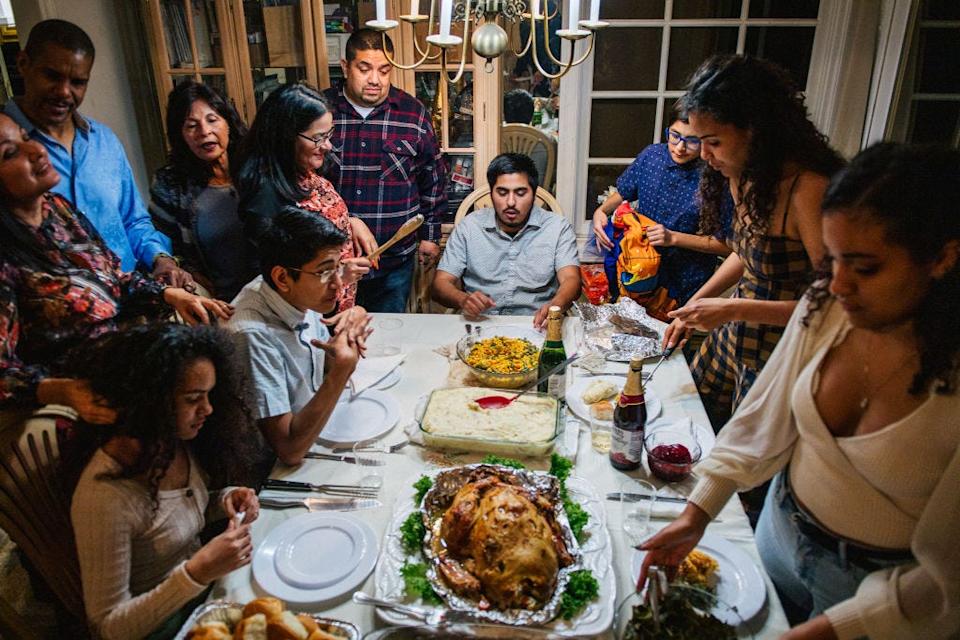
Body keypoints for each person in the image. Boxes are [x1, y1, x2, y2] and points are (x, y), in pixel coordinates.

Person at [640, 143, 960, 640]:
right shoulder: (824, 306)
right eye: (830, 261)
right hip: (777, 535)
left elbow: (948, 579)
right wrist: (697, 513)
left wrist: (835, 627)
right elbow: (760, 420)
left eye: (865, 268)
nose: (837, 286)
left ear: (942, 257)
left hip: (878, 598)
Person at [0, 112, 232, 421]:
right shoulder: (7, 254)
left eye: (26, 138)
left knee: (218, 349)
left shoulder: (58, 211)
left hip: (129, 349)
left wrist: (170, 295)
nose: (36, 151)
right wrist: (63, 390)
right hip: (88, 385)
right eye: (10, 152)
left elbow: (113, 276)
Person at [663, 55, 844, 429]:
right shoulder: (743, 175)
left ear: (756, 131)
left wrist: (731, 309)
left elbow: (833, 307)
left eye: (713, 142)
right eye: (700, 141)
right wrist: (694, 306)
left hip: (781, 351)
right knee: (690, 427)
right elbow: (747, 254)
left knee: (743, 459)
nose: (704, 154)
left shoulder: (808, 189)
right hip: (735, 337)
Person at [69, 323, 260, 640]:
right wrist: (196, 572)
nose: (208, 409)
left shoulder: (170, 441)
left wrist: (223, 499)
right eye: (193, 399)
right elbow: (108, 626)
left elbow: (169, 516)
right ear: (148, 400)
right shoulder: (103, 498)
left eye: (209, 395)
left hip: (206, 600)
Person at [3, 19, 193, 287]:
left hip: (132, 297)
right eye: (52, 76)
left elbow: (133, 220)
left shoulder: (103, 141)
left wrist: (160, 259)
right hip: (55, 313)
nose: (64, 92)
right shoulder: (8, 155)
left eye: (78, 82)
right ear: (23, 64)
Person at [227, 207, 371, 466]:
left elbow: (318, 370)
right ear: (282, 277)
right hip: (267, 471)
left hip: (317, 428)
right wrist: (341, 371)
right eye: (325, 271)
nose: (339, 284)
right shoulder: (252, 334)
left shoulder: (296, 294)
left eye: (338, 268)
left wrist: (345, 339)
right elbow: (289, 450)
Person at [323, 29, 447, 312]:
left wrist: (429, 235)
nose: (375, 80)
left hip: (393, 261)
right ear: (345, 67)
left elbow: (434, 178)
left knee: (388, 341)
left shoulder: (412, 113)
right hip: (331, 262)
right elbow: (302, 181)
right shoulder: (322, 110)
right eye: (364, 69)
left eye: (384, 70)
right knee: (335, 344)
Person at [234, 83, 375, 310]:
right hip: (309, 317)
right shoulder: (265, 196)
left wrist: (351, 222)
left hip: (332, 303)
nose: (327, 146)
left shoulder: (301, 168)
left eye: (329, 134)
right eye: (317, 138)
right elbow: (278, 281)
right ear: (285, 137)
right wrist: (340, 272)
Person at [591, 111, 733, 307]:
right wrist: (601, 211)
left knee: (673, 335)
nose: (680, 148)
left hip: (685, 279)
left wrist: (673, 238)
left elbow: (728, 246)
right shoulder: (652, 156)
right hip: (639, 267)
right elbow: (624, 190)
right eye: (674, 136)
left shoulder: (717, 174)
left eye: (692, 141)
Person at [432, 153, 579, 328]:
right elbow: (440, 284)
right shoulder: (470, 227)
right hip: (481, 323)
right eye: (502, 192)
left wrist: (557, 305)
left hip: (536, 324)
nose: (511, 202)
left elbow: (572, 279)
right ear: (491, 193)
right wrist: (463, 300)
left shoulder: (557, 227)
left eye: (521, 193)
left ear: (533, 193)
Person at [149, 81, 249, 301]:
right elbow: (161, 246)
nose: (204, 132)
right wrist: (188, 272)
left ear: (228, 122)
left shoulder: (256, 168)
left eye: (212, 120)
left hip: (270, 292)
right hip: (214, 298)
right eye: (191, 125)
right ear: (181, 135)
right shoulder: (170, 183)